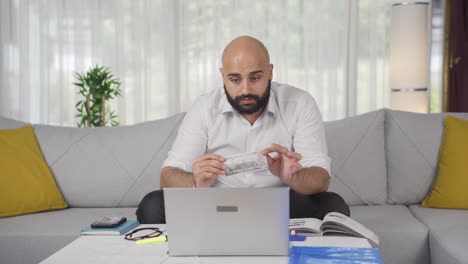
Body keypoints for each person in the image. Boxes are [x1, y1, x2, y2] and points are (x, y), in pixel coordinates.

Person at [136, 36, 350, 224]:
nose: (245, 89)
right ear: (223, 76)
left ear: (270, 72)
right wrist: (194, 181)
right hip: (215, 204)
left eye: (255, 78)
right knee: (152, 206)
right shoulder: (203, 107)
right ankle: (235, 230)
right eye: (235, 79)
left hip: (280, 203)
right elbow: (167, 177)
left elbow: (321, 179)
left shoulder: (300, 103)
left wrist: (293, 177)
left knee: (334, 206)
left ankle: (228, 231)